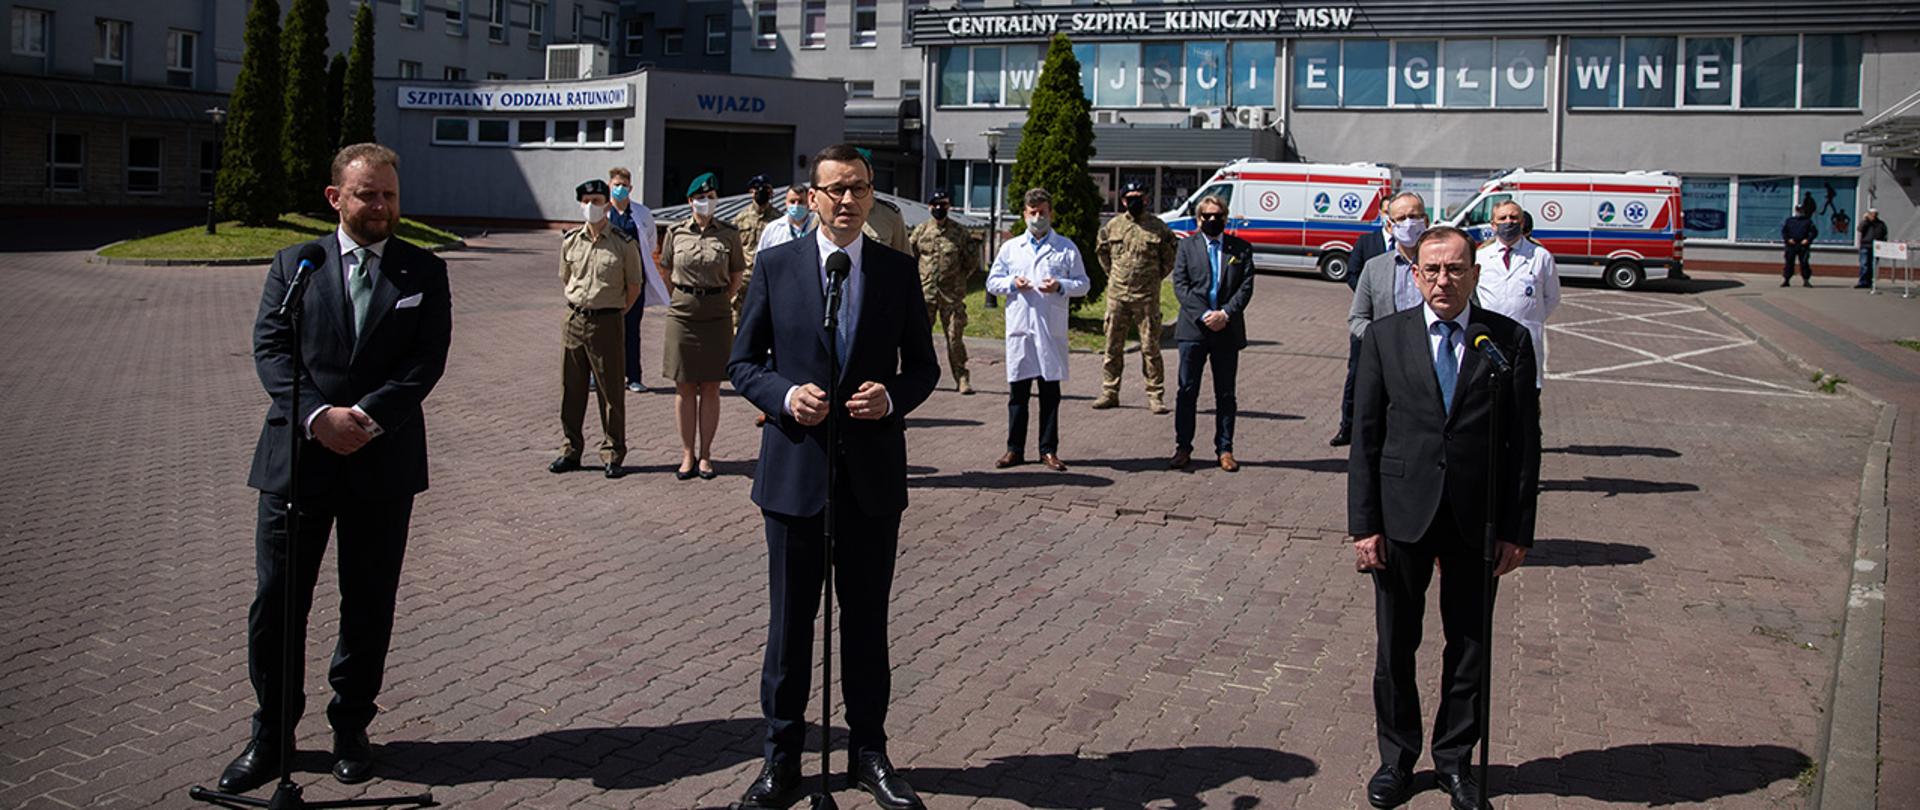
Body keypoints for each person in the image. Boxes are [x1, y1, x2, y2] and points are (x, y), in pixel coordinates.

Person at [218, 143, 452, 793]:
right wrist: (319, 416)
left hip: (382, 462)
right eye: (367, 195)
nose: (381, 207)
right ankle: (271, 734)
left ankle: (351, 727)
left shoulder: (422, 271)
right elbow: (271, 347)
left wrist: (367, 419)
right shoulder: (297, 263)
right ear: (336, 198)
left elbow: (425, 362)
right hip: (299, 461)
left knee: (368, 602)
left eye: (390, 196)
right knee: (277, 604)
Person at [727, 143, 940, 810]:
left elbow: (924, 368)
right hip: (795, 476)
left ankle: (868, 753)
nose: (846, 200)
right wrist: (787, 397)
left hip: (872, 479)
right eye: (834, 190)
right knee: (790, 629)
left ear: (873, 195)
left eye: (858, 188)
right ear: (812, 198)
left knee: (866, 625)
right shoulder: (774, 266)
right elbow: (744, 363)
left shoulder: (898, 272)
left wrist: (893, 397)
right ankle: (781, 760)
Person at [1348, 225, 1540, 810]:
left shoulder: (1505, 341)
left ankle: (1456, 761)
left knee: (1470, 648)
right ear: (1414, 274)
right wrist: (1364, 524)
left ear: (1475, 275)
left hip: (1474, 520)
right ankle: (1397, 759)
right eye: (1431, 270)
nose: (1442, 281)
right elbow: (1366, 437)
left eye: (1456, 269)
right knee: (1395, 647)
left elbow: (1524, 443)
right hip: (1402, 514)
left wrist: (1517, 529)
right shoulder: (1385, 337)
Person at [987, 188, 1090, 472]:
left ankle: (1048, 450)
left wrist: (1060, 286)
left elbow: (1083, 284)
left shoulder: (1066, 247)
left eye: (1042, 212)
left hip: (1049, 330)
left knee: (1050, 394)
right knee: (1018, 393)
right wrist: (1011, 284)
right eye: (1032, 213)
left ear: (1051, 213)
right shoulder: (1010, 248)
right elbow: (992, 282)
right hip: (1021, 328)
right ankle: (1014, 450)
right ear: (1024, 214)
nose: (1037, 218)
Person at [550, 179, 645, 479]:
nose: (592, 206)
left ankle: (613, 452)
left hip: (607, 321)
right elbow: (566, 278)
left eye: (597, 200)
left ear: (606, 204)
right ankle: (571, 449)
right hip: (574, 319)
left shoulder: (623, 242)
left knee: (611, 390)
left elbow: (633, 287)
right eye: (587, 200)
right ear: (580, 203)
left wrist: (611, 311)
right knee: (571, 388)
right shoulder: (571, 241)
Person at [659, 173, 746, 480]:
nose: (705, 202)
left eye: (710, 197)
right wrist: (685, 297)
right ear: (690, 201)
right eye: (700, 198)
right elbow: (667, 268)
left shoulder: (729, 234)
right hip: (682, 313)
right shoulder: (675, 232)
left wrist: (717, 297)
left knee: (711, 385)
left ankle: (706, 455)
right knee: (683, 385)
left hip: (717, 313)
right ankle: (686, 454)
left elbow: (736, 274)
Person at [1338, 191, 1432, 448]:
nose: (1409, 223)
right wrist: (1382, 342)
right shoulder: (1375, 267)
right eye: (1401, 217)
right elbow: (1357, 318)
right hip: (1388, 367)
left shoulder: (1443, 266)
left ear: (1427, 220)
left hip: (1432, 365)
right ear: (1390, 224)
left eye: (1415, 216)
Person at [1169, 195, 1253, 472]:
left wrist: (1225, 314)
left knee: (1226, 393)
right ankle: (1183, 447)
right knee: (1187, 390)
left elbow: (1246, 286)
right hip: (1194, 329)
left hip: (1227, 330)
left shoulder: (1240, 249)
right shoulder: (1186, 246)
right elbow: (1180, 285)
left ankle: (1225, 449)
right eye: (1207, 216)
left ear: (1226, 218)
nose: (1212, 220)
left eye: (1218, 215)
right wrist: (1205, 314)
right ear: (1198, 219)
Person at [1092, 180, 1178, 413]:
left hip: (1147, 298)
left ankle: (1155, 396)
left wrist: (1153, 278)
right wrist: (1115, 276)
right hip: (1118, 296)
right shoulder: (1113, 226)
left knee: (1150, 348)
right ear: (1122, 201)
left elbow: (1169, 258)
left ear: (1147, 199)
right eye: (1130, 198)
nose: (1135, 201)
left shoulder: (1158, 227)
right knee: (1112, 346)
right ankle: (1110, 392)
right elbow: (1102, 254)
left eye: (1139, 196)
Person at [1474, 200, 1560, 388]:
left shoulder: (1540, 256)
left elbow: (1552, 297)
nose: (1508, 222)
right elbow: (1473, 295)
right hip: (1491, 338)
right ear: (1493, 225)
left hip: (1527, 337)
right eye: (1502, 218)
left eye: (1514, 217)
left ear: (1522, 223)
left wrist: (1532, 316)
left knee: (1525, 398)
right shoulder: (1480, 257)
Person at [908, 190, 978, 394]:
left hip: (952, 296)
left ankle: (962, 378)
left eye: (943, 205)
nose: (939, 209)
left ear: (949, 207)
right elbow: (911, 257)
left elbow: (971, 262)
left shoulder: (960, 233)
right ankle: (919, 377)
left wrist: (958, 280)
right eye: (935, 205)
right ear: (929, 207)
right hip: (926, 294)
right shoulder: (921, 231)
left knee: (954, 338)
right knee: (920, 338)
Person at [607, 167, 666, 394]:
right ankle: (601, 375)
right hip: (609, 282)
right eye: (616, 185)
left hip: (634, 280)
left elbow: (650, 244)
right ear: (610, 186)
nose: (620, 189)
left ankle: (633, 376)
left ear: (631, 188)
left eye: (624, 185)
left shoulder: (641, 213)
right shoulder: (604, 213)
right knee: (606, 330)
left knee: (632, 328)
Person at [1334, 216, 1392, 446]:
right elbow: (1353, 273)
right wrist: (1368, 294)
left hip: (1398, 330)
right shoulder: (1367, 243)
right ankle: (1347, 427)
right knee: (1357, 377)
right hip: (1368, 322)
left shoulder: (1418, 251)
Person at [733, 174, 781, 326]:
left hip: (768, 276)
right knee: (737, 321)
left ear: (771, 192)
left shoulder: (778, 219)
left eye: (765, 189)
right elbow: (733, 248)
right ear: (751, 192)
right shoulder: (740, 218)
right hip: (744, 277)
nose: (761, 192)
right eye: (757, 189)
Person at [757, 183, 818, 254]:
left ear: (808, 202)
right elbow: (760, 258)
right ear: (785, 203)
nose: (796, 205)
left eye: (800, 202)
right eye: (792, 202)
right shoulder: (772, 229)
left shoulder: (818, 226)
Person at [1782, 203, 1818, 287]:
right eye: (1798, 210)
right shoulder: (1790, 221)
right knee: (1789, 263)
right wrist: (1788, 239)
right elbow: (1784, 232)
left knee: (1804, 263)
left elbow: (1814, 232)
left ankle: (1806, 280)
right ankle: (1786, 280)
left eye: (1801, 210)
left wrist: (1808, 240)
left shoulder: (1808, 221)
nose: (1799, 212)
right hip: (1791, 245)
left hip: (1803, 245)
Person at [1857, 208, 1888, 289]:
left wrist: (1883, 243)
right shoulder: (1865, 223)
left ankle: (1870, 282)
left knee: (1872, 265)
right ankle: (1862, 282)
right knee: (1864, 264)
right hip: (1865, 246)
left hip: (1876, 247)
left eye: (1875, 214)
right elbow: (1859, 229)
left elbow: (1884, 234)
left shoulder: (1880, 224)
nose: (1873, 216)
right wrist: (1865, 220)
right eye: (1871, 214)